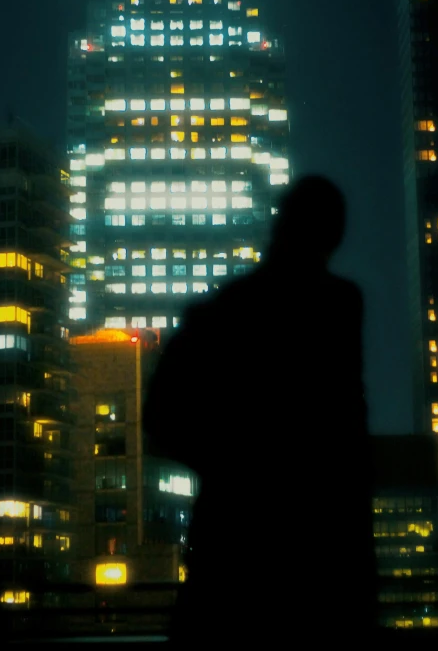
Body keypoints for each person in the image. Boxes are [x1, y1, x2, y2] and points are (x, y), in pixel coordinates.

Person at [143, 175, 377, 644]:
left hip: (232, 553)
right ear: (334, 236)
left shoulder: (220, 312)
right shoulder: (339, 307)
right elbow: (347, 440)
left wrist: (229, 468)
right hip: (322, 560)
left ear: (280, 226)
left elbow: (159, 421)